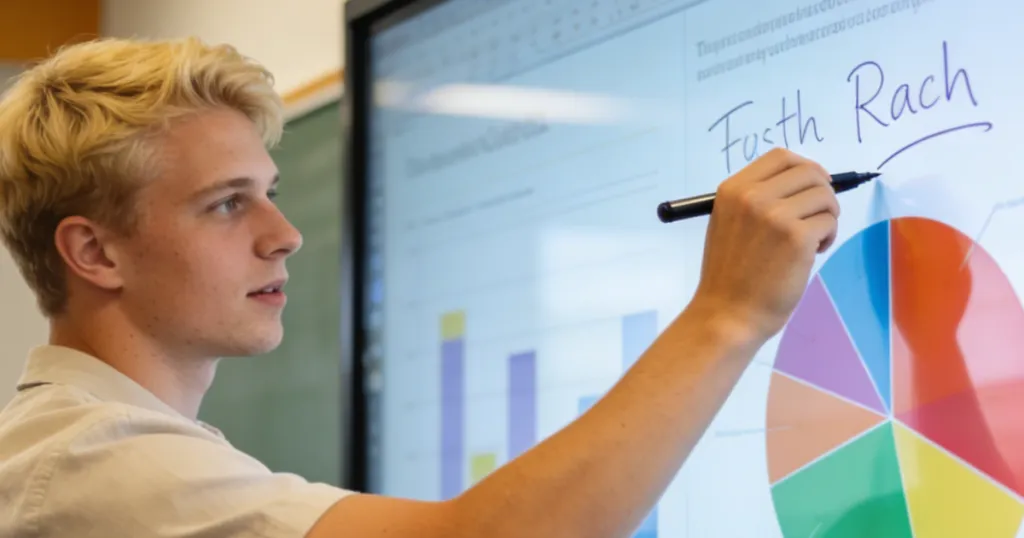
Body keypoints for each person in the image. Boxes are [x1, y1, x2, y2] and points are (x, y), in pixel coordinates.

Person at [0, 36, 840, 538]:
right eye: (227, 205)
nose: (284, 235)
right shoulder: (90, 463)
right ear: (95, 253)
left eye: (272, 193)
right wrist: (728, 315)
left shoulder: (106, 448)